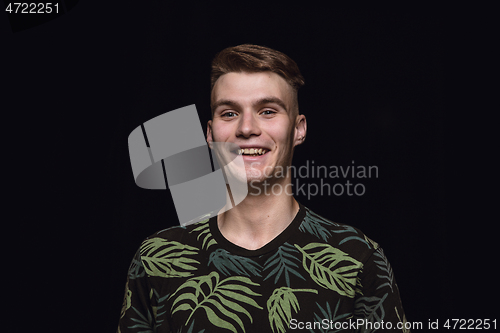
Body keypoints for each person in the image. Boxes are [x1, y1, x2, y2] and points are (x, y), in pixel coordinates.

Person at [117, 44, 410, 332]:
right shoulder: (157, 258)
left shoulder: (358, 258)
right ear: (209, 134)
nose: (247, 128)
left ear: (298, 129)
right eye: (229, 113)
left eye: (268, 111)